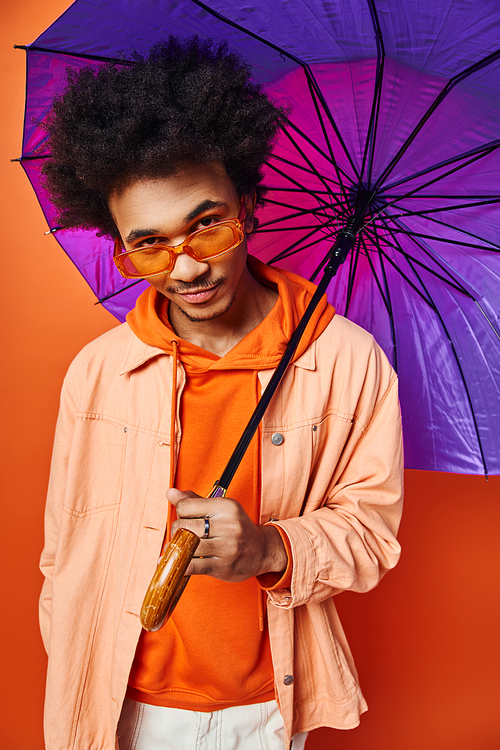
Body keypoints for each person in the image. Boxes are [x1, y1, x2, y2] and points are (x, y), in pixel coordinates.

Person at [39, 37, 403, 750]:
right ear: (121, 246)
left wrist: (268, 547)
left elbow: (372, 536)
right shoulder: (96, 371)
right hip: (112, 701)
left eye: (207, 225)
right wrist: (73, 659)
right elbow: (63, 550)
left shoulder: (350, 362)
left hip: (263, 712)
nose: (186, 267)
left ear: (249, 207)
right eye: (150, 244)